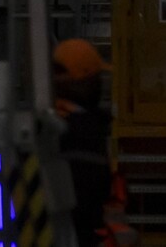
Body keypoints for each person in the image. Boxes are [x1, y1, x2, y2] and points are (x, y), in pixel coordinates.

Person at [53, 38, 113, 247]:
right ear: (85, 81)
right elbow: (95, 195)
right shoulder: (85, 132)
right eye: (97, 78)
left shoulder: (48, 123)